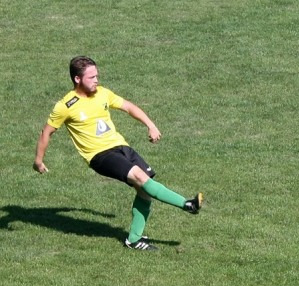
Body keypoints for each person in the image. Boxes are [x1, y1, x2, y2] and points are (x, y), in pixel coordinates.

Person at [34, 56, 203, 250]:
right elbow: (47, 132)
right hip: (99, 155)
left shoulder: (102, 93)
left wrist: (150, 125)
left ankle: (133, 240)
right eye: (91, 77)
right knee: (140, 177)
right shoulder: (66, 105)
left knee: (144, 190)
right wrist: (38, 161)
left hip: (121, 147)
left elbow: (128, 107)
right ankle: (187, 204)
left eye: (97, 76)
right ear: (77, 79)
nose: (96, 80)